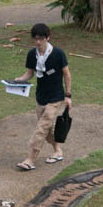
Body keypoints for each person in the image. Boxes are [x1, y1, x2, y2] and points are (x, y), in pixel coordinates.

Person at [11, 23, 72, 171]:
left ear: (48, 38)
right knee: (47, 128)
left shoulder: (58, 54)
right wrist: (18, 80)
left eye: (41, 39)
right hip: (41, 97)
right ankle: (58, 151)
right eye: (36, 39)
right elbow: (29, 73)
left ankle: (30, 160)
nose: (38, 42)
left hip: (56, 97)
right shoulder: (32, 54)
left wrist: (68, 95)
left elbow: (67, 74)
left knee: (41, 127)